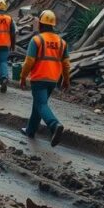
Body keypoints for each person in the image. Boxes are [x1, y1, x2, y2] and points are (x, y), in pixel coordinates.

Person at [19, 10, 70, 147]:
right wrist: (66, 79)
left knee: (41, 105)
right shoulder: (62, 42)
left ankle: (54, 125)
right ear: (53, 25)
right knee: (39, 104)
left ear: (41, 24)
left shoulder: (37, 40)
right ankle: (30, 130)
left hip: (39, 78)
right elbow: (66, 63)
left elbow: (29, 61)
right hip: (53, 79)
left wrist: (23, 77)